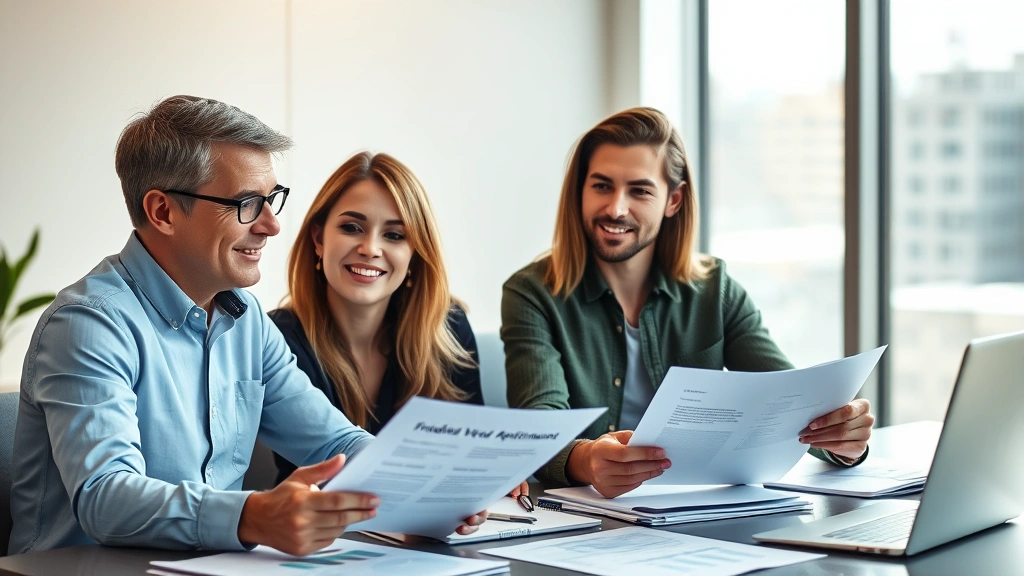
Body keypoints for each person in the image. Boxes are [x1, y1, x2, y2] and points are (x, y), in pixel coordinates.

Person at [8, 95, 484, 556]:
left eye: (271, 199)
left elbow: (335, 442)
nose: (271, 225)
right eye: (246, 204)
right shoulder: (89, 323)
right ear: (163, 212)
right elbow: (106, 498)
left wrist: (432, 488)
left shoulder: (246, 320)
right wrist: (253, 515)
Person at [501, 107, 874, 499]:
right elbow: (538, 429)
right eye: (601, 186)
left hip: (695, 506)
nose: (616, 208)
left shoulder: (715, 290)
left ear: (673, 200)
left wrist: (845, 441)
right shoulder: (531, 293)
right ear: (580, 191)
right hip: (591, 512)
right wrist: (587, 460)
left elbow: (790, 403)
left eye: (639, 191)